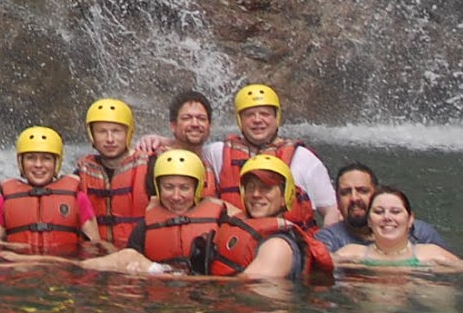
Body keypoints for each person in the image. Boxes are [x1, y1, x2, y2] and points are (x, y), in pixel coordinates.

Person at [84, 153, 328, 282]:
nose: (256, 195)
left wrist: (159, 272)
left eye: (266, 189)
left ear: (284, 193)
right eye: (251, 187)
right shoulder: (234, 221)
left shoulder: (278, 245)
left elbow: (250, 290)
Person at [208, 84, 339, 226]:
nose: (257, 120)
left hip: (288, 242)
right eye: (249, 115)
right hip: (235, 242)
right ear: (240, 120)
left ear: (277, 118)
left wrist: (325, 245)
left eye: (265, 114)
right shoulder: (216, 153)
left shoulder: (303, 158)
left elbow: (332, 210)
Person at [82, 149, 228, 271]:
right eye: (168, 187)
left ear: (197, 189)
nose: (176, 197)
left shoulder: (222, 222)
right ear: (158, 188)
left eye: (184, 188)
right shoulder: (143, 230)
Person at [0, 126, 100, 259]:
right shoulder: (2, 202)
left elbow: (94, 247)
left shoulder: (78, 199)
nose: (38, 165)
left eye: (46, 158)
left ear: (57, 163)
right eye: (30, 158)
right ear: (21, 162)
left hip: (63, 270)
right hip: (19, 271)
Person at [333, 187, 463, 271]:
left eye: (395, 211)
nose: (387, 217)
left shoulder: (430, 254)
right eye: (378, 212)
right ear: (369, 221)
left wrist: (437, 270)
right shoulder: (352, 253)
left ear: (410, 220)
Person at [316, 163, 451, 252]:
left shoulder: (420, 234)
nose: (354, 198)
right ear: (337, 201)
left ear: (377, 194)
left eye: (362, 190)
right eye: (345, 192)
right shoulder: (329, 240)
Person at [77, 98, 149, 251]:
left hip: (140, 254)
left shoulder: (151, 168)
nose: (110, 139)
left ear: (128, 133)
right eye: (102, 132)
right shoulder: (80, 174)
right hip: (99, 255)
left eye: (116, 131)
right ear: (92, 136)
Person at [134, 89, 214, 158]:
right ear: (173, 126)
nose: (195, 124)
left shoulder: (215, 158)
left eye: (201, 118)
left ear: (209, 126)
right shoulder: (151, 157)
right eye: (187, 118)